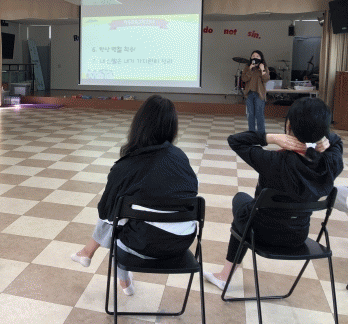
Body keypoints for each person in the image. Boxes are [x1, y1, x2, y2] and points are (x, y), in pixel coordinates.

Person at [204, 97, 343, 290]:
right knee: (246, 210)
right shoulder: (331, 163)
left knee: (241, 203)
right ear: (324, 132)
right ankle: (224, 276)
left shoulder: (274, 161)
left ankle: (224, 276)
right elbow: (337, 141)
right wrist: (322, 141)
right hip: (298, 235)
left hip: (262, 234)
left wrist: (271, 137)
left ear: (288, 126)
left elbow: (235, 140)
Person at [71, 95, 198, 296]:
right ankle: (92, 256)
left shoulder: (126, 166)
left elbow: (106, 211)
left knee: (118, 215)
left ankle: (114, 273)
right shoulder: (180, 158)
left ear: (139, 125)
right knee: (124, 211)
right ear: (172, 127)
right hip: (182, 242)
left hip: (143, 246)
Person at [241, 50, 270, 133]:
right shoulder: (247, 67)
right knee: (250, 115)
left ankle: (261, 133)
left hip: (259, 94)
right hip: (249, 93)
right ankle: (252, 133)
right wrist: (250, 69)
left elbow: (266, 79)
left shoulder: (264, 67)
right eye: (253, 56)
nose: (255, 57)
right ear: (251, 57)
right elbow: (244, 79)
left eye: (257, 56)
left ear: (261, 58)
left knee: (259, 114)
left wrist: (262, 69)